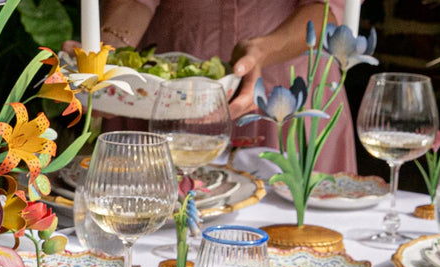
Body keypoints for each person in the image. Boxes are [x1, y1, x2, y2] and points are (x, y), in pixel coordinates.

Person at [99, 0, 357, 175]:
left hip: (286, 93)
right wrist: (105, 58)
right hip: (161, 95)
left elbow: (327, 7)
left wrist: (262, 52)